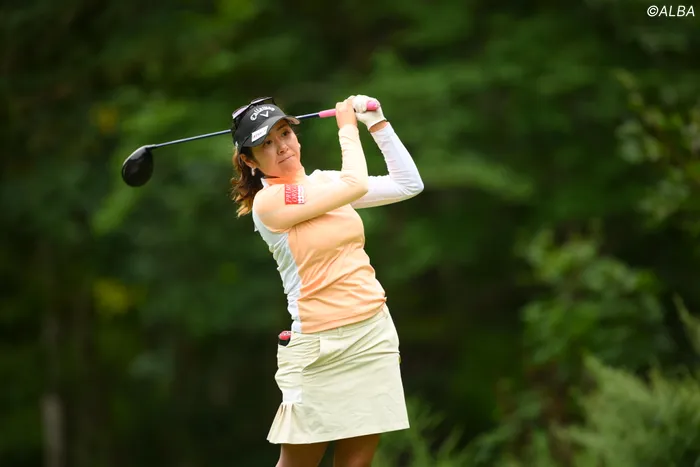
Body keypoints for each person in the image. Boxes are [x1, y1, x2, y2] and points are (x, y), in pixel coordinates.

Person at [229, 95, 424, 467]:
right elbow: (355, 183)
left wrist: (378, 124)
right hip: (319, 346)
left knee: (356, 463)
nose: (281, 146)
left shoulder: (327, 183)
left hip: (372, 334)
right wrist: (348, 128)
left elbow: (407, 184)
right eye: (266, 143)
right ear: (250, 162)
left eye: (284, 133)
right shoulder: (269, 203)